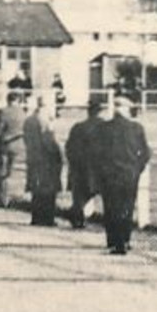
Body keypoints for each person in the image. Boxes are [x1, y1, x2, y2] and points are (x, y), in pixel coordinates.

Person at [95, 95, 150, 254]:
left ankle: (113, 240)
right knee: (127, 207)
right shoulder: (137, 128)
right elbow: (145, 153)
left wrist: (101, 170)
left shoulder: (104, 128)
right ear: (126, 110)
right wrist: (137, 168)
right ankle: (125, 239)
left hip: (109, 174)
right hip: (129, 174)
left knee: (111, 207)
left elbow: (97, 152)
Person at [21, 97, 64, 226]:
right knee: (48, 191)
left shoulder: (28, 120)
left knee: (36, 189)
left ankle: (36, 217)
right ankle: (47, 218)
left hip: (33, 158)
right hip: (46, 160)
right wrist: (58, 154)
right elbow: (49, 142)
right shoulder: (45, 122)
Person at [65, 98, 105, 229]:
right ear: (100, 112)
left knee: (80, 195)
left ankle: (77, 218)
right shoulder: (104, 127)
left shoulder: (78, 127)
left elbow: (69, 147)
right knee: (101, 194)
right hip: (97, 166)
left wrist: (73, 162)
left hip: (79, 166)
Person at [0, 91, 27, 208]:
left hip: (3, 146)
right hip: (17, 145)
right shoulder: (23, 113)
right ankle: (8, 198)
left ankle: (0, 200)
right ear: (18, 101)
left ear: (8, 100)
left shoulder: (3, 112)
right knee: (9, 173)